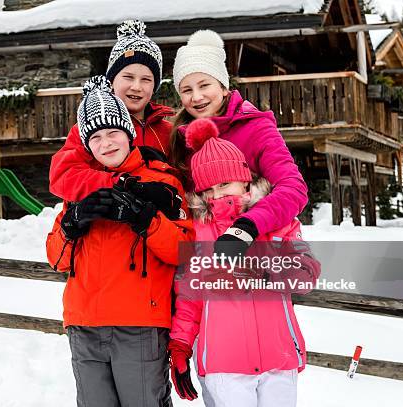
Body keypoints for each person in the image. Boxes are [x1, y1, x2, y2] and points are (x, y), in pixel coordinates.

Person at [46, 76, 194, 407]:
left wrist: (147, 220)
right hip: (85, 323)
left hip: (139, 324)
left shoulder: (162, 181)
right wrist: (71, 226)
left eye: (113, 132)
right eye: (95, 137)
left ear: (128, 133)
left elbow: (183, 252)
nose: (106, 143)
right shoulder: (81, 188)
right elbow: (57, 260)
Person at [167, 118, 321, 407]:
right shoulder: (198, 231)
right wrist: (180, 345)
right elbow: (190, 297)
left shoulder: (278, 220)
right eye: (207, 189)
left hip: (279, 357)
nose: (217, 195)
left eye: (225, 183)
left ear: (245, 178)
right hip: (225, 364)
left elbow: (307, 271)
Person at [169, 29, 309, 259]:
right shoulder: (180, 139)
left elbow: (293, 188)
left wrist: (249, 225)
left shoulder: (256, 129)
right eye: (187, 90)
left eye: (204, 85)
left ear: (224, 87)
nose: (196, 97)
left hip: (257, 248)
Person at [49, 20, 174, 202]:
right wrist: (118, 184)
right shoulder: (93, 129)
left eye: (146, 79)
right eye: (128, 77)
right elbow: (63, 176)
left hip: (160, 223)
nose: (137, 86)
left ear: (155, 86)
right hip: (109, 222)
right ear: (112, 80)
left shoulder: (168, 131)